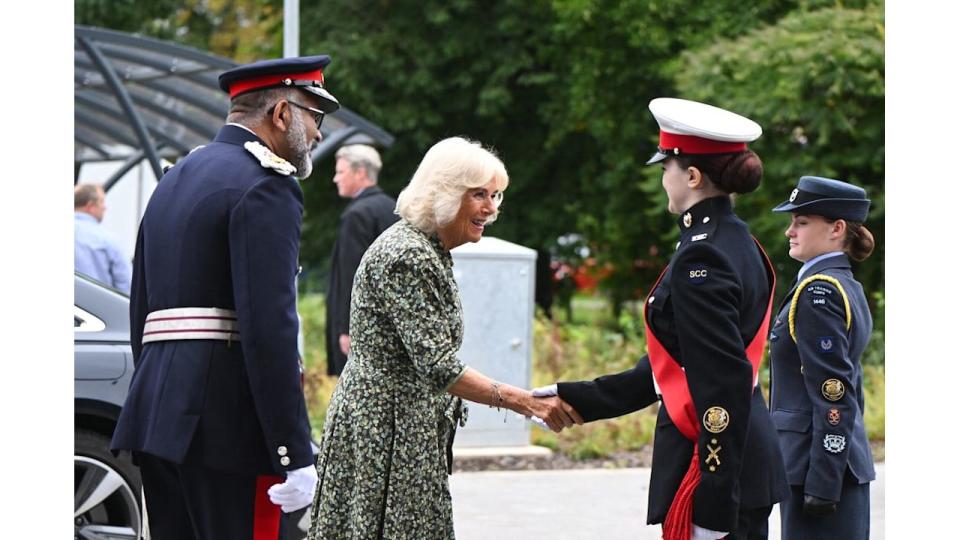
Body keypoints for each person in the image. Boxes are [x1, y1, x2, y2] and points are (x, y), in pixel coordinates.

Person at [535, 98, 789, 539]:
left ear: (691, 176)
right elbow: (673, 367)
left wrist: (712, 508)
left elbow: (723, 381)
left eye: (665, 167)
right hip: (741, 464)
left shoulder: (703, 255)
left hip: (715, 473)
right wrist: (578, 396)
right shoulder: (736, 240)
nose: (662, 178)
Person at [110, 56, 341, 540]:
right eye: (314, 117)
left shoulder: (176, 178)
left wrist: (157, 396)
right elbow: (270, 329)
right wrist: (291, 451)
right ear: (282, 113)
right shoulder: (266, 185)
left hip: (159, 419)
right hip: (228, 429)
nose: (318, 134)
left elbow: (142, 308)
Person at [308, 136, 582, 539]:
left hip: (403, 429)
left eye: (495, 195)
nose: (491, 208)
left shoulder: (427, 248)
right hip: (385, 432)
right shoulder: (409, 254)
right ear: (445, 192)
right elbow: (439, 366)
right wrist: (526, 402)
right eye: (478, 195)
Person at [768, 176, 876, 539]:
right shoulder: (843, 284)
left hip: (818, 471)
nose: (789, 231)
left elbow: (835, 393)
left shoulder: (819, 292)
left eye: (801, 222)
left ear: (837, 229)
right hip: (823, 466)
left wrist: (824, 481)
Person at [325, 144, 399, 375]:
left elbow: (351, 275)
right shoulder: (393, 208)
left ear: (360, 173)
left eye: (340, 172)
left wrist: (347, 329)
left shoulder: (357, 215)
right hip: (390, 323)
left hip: (362, 328)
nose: (335, 179)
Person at [74, 183, 132, 293]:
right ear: (90, 205)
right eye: (102, 202)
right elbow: (126, 286)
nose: (105, 207)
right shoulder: (107, 240)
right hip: (97, 308)